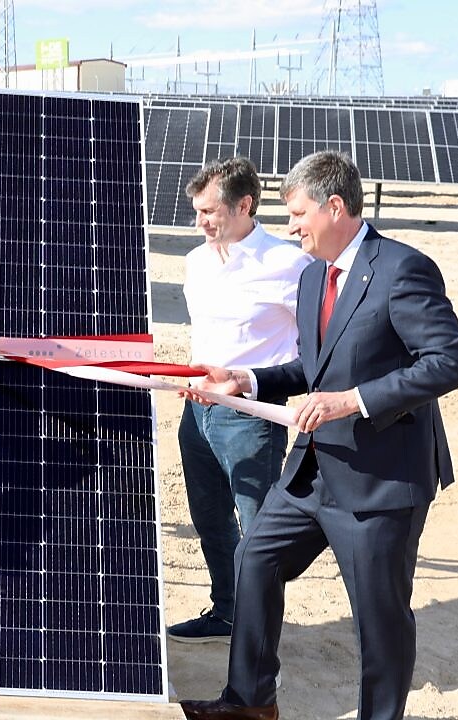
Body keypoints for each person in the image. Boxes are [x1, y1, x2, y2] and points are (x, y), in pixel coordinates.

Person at [179, 150, 458, 720]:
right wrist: (248, 378)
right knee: (255, 560)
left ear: (335, 207)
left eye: (297, 214)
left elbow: (447, 362)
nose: (289, 227)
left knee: (379, 617)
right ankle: (250, 702)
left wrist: (354, 401)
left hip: (379, 477)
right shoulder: (313, 275)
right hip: (313, 469)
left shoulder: (401, 269)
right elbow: (314, 369)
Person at [169, 157, 310, 644]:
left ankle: (259, 633)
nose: (201, 222)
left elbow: (313, 349)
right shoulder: (196, 261)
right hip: (197, 411)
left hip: (250, 418)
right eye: (197, 212)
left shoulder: (290, 264)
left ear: (244, 205)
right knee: (210, 519)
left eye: (210, 211)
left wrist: (248, 381)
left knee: (259, 532)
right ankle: (228, 612)